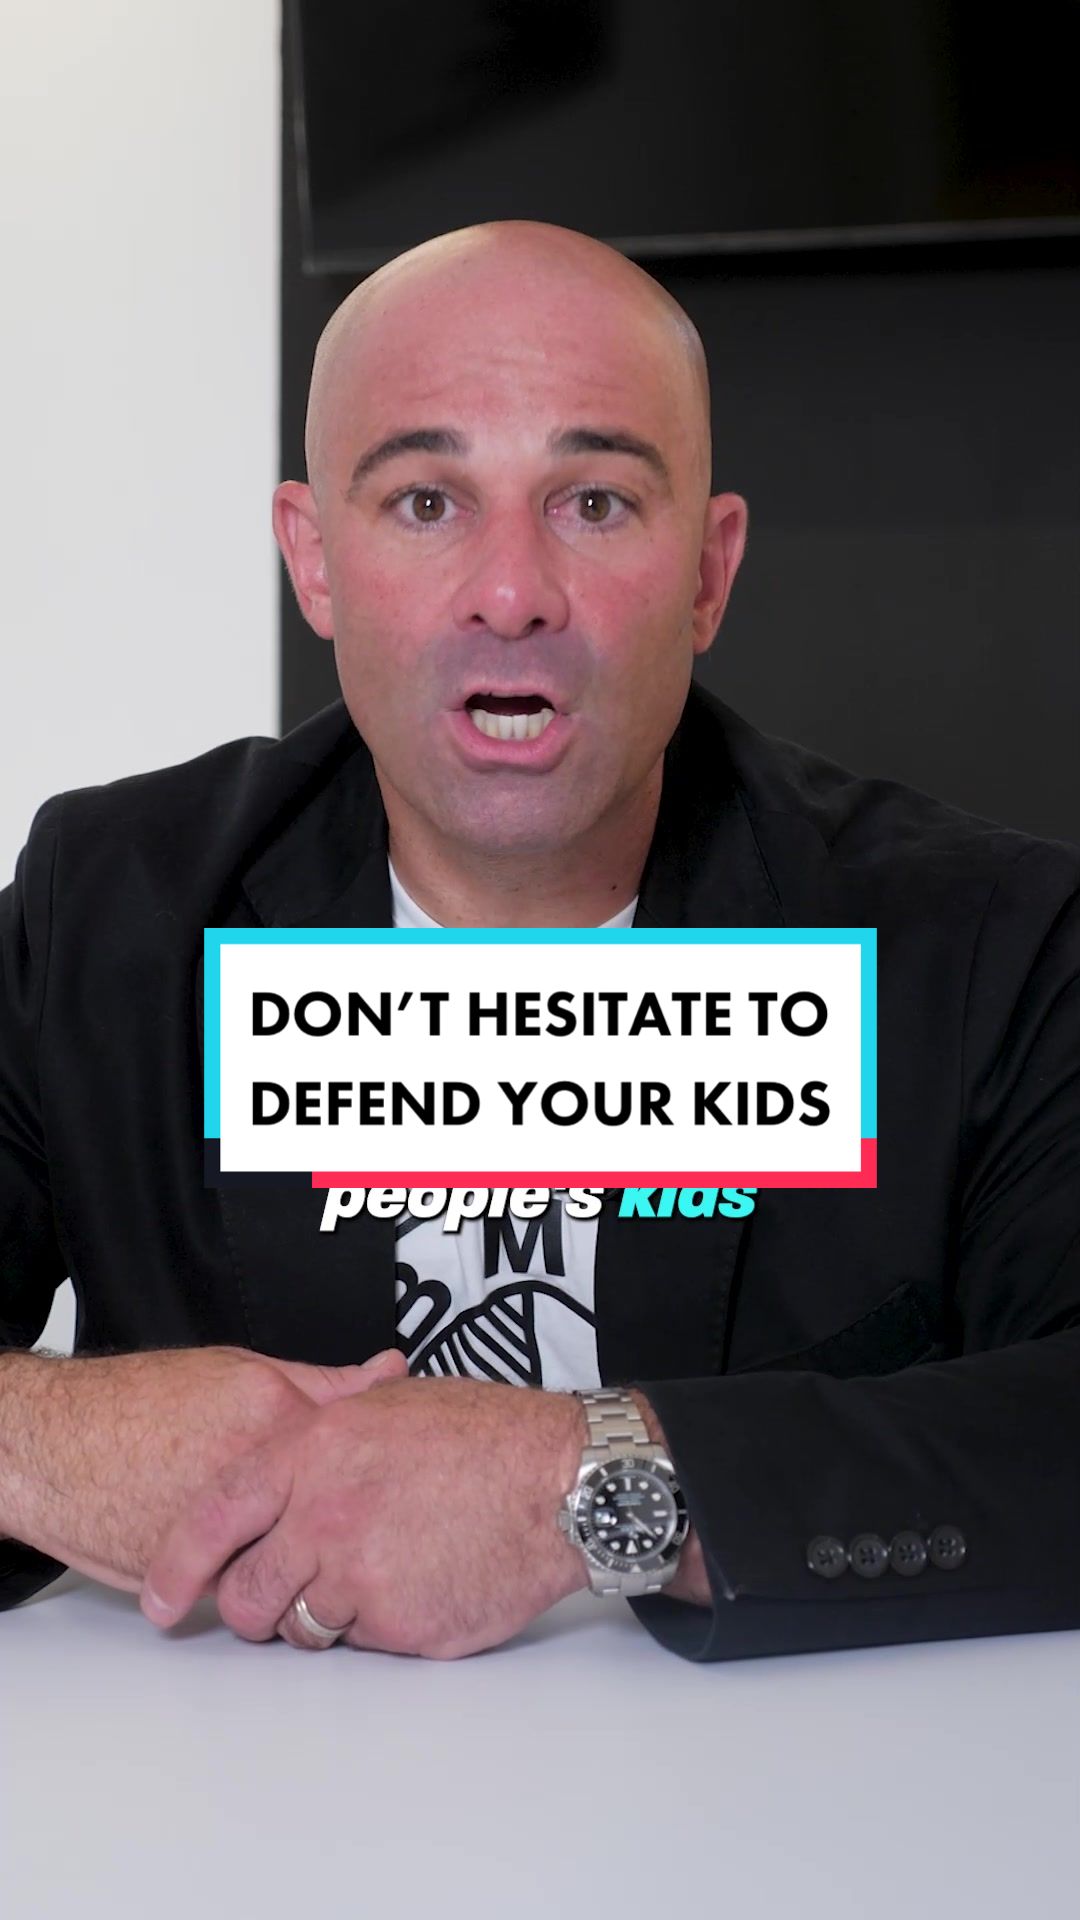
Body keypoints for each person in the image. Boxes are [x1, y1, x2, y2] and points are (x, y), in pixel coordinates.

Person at [1, 220, 1078, 1663]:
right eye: (426, 502)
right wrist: (55, 1437)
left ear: (709, 572)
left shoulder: (988, 947)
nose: (511, 593)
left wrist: (585, 1482)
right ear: (314, 561)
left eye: (596, 503)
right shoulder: (105, 912)